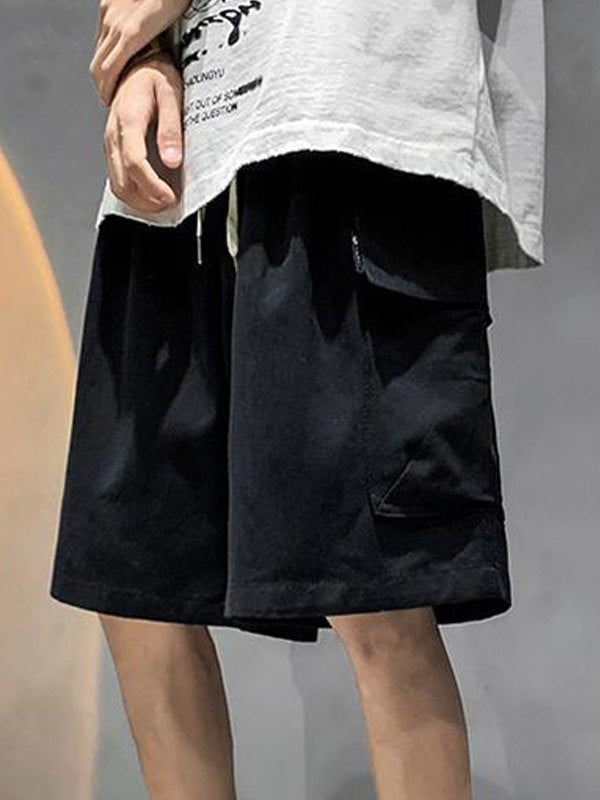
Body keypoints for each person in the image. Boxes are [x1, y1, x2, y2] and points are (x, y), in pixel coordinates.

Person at [48, 2, 546, 799]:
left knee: (377, 591)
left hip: (347, 113)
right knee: (138, 589)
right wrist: (142, 58)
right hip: (186, 160)